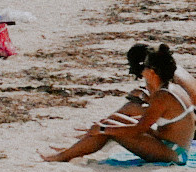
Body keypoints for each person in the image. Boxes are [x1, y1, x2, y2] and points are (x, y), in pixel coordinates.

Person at [43, 46, 195, 165]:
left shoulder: (162, 95)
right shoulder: (169, 88)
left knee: (107, 130)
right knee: (115, 120)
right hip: (170, 142)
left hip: (173, 153)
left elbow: (139, 129)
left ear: (153, 72)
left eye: (145, 67)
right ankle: (72, 151)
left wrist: (103, 129)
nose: (142, 70)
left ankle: (63, 156)